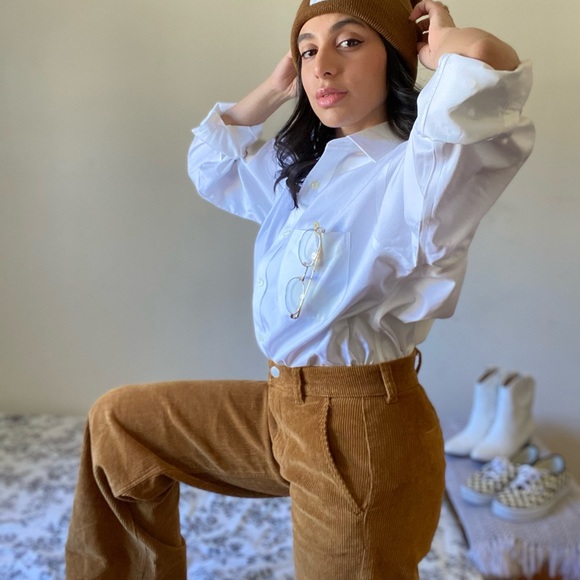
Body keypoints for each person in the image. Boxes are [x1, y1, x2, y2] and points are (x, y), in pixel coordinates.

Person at [65, 0, 534, 578]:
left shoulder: (419, 174)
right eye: (308, 50)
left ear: (395, 57)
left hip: (360, 428)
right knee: (119, 426)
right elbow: (213, 166)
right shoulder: (305, 171)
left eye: (350, 42)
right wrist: (275, 87)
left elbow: (487, 68)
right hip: (285, 406)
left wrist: (443, 46)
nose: (323, 66)